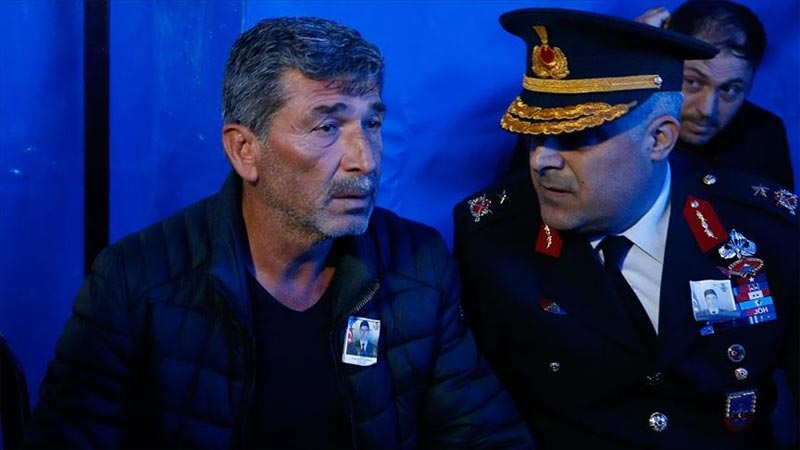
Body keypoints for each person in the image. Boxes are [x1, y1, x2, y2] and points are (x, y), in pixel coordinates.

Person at [25, 17, 532, 449]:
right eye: (327, 127)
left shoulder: (418, 263)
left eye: (372, 124)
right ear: (245, 150)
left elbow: (486, 435)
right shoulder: (135, 280)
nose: (365, 160)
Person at [454, 7, 798, 448]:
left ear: (659, 139)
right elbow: (480, 418)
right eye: (535, 135)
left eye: (576, 137)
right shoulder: (493, 238)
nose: (540, 160)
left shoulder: (768, 231)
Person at [638, 0, 794, 189]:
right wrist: (625, 57)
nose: (707, 110)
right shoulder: (626, 120)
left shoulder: (764, 136)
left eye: (729, 89)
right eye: (693, 82)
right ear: (664, 65)